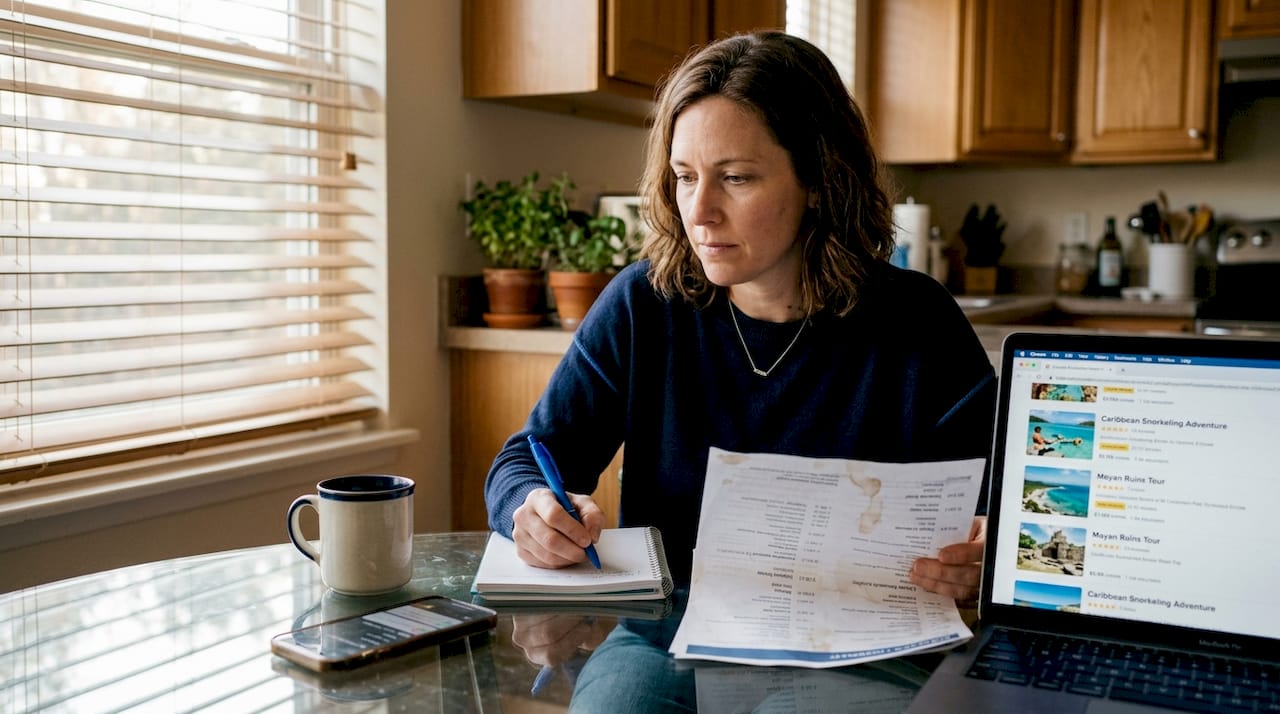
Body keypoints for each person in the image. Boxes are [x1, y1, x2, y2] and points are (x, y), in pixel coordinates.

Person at [484, 31, 996, 605]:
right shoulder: (643, 303)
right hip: (668, 623)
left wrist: (989, 551)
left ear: (819, 182)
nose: (699, 212)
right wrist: (529, 508)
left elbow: (1003, 506)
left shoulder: (918, 322)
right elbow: (526, 459)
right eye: (684, 176)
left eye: (736, 177)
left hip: (850, 625)